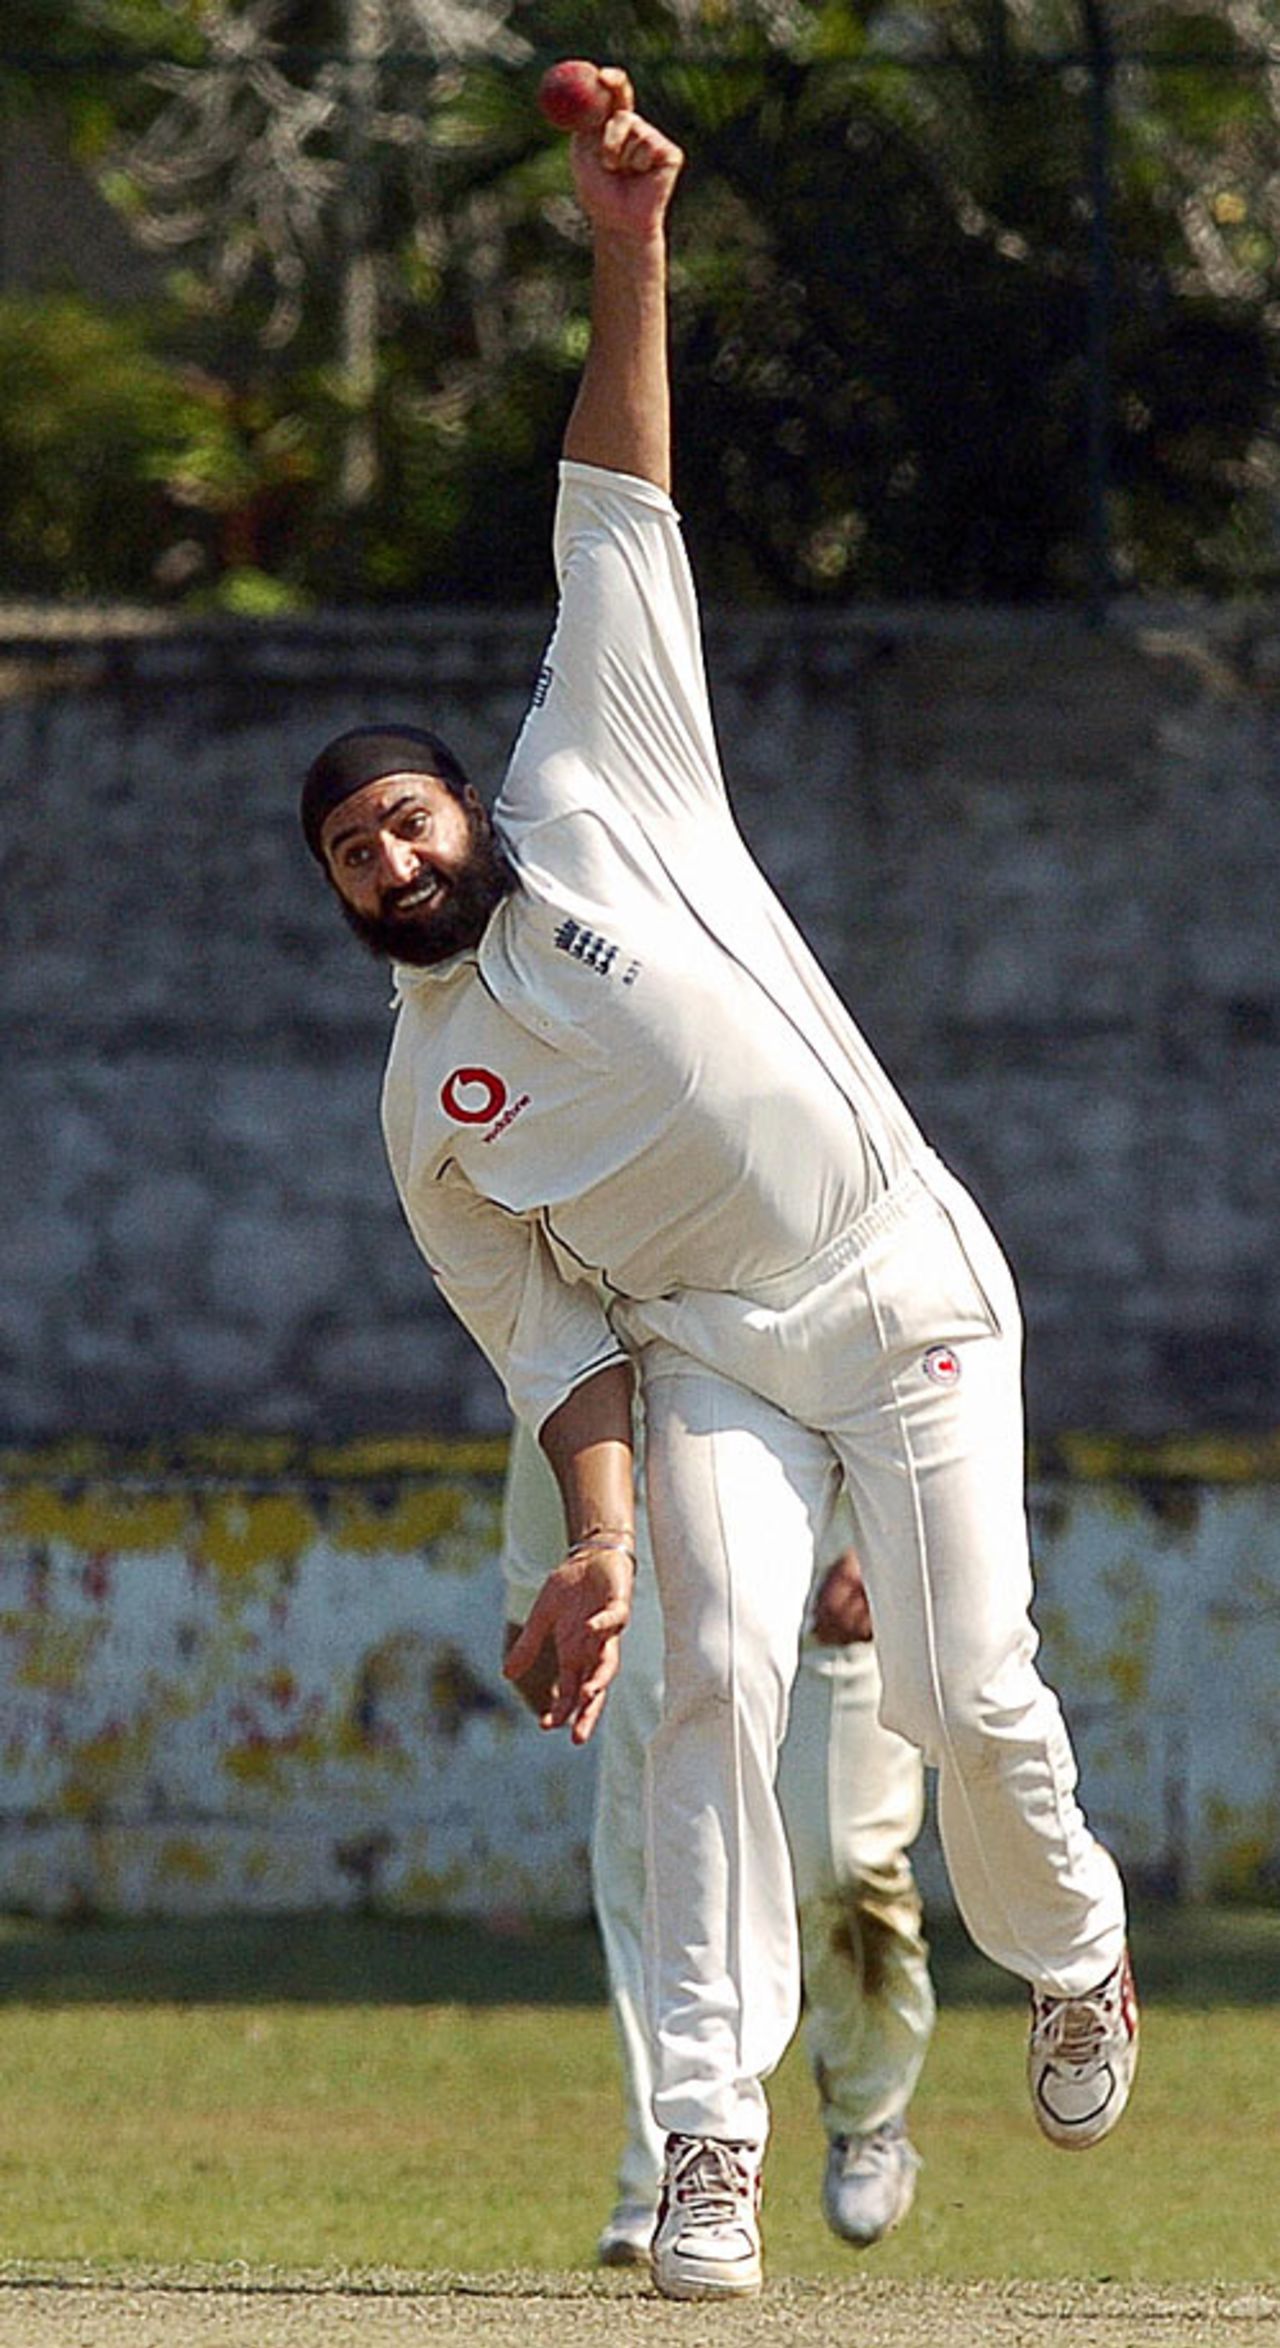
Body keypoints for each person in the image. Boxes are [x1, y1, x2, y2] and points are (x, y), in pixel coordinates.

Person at [299, 68, 1137, 2302]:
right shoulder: (427, 1111)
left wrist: (628, 240)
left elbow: (615, 501)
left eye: (403, 819)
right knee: (709, 1680)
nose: (391, 857)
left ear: (468, 804)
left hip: (904, 1271)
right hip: (714, 1370)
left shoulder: (603, 778)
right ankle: (703, 2147)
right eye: (352, 857)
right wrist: (593, 1541)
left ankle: (1071, 1955)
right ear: (346, 902)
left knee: (967, 1699)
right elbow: (558, 1347)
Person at [500, 1417, 935, 2264]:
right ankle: (666, 2169)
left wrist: (901, 1550)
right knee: (660, 1869)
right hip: (664, 1577)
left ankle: (869, 2110)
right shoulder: (590, 1283)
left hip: (833, 1578)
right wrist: (531, 1591)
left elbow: (927, 1352)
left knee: (845, 1859)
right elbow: (554, 1374)